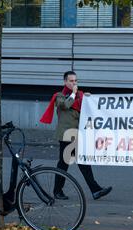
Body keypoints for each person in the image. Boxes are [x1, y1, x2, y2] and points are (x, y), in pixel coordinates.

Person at [40, 71, 112, 200]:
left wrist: (89, 98)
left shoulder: (80, 96)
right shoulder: (59, 96)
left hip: (77, 134)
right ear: (65, 82)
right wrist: (74, 93)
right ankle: (60, 191)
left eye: (75, 81)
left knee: (79, 162)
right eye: (71, 81)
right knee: (64, 163)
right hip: (66, 135)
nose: (74, 83)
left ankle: (93, 190)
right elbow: (66, 105)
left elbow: (89, 108)